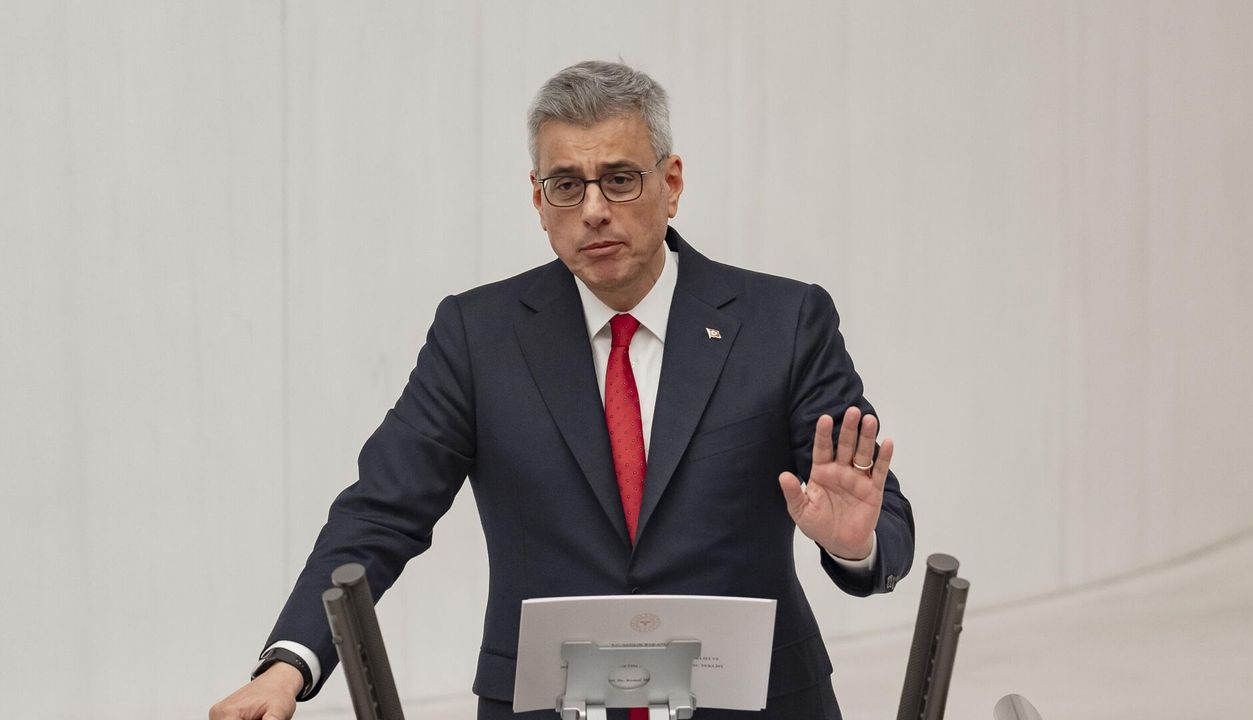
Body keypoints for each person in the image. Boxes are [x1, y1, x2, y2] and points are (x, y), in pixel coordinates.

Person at [210, 60, 914, 720]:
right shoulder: (477, 336)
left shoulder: (784, 322)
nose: (594, 209)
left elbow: (878, 512)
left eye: (621, 179)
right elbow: (381, 511)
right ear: (538, 200)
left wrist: (855, 546)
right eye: (567, 185)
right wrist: (289, 664)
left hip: (758, 704)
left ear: (671, 183)